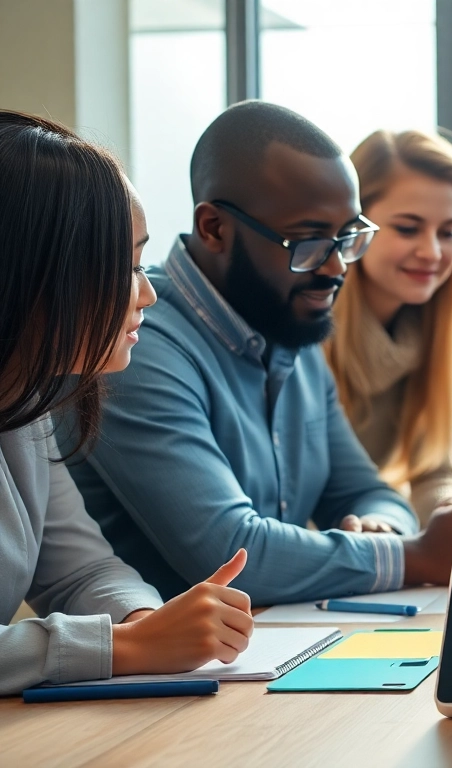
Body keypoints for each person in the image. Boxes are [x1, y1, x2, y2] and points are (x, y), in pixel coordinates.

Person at [60, 102, 452, 605]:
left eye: (348, 238)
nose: (336, 268)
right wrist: (415, 555)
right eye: (310, 241)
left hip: (267, 650)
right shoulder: (135, 344)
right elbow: (231, 554)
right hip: (167, 673)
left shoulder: (288, 323)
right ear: (215, 229)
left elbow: (364, 490)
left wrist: (385, 528)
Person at [1, 111, 254, 694]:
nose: (147, 292)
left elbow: (80, 571)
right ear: (29, 271)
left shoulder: (25, 400)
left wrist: (146, 621)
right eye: (125, 266)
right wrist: (128, 646)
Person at [325, 129, 452, 524]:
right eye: (408, 228)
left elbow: (434, 470)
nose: (433, 252)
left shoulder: (429, 338)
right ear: (353, 228)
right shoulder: (309, 336)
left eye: (449, 232)